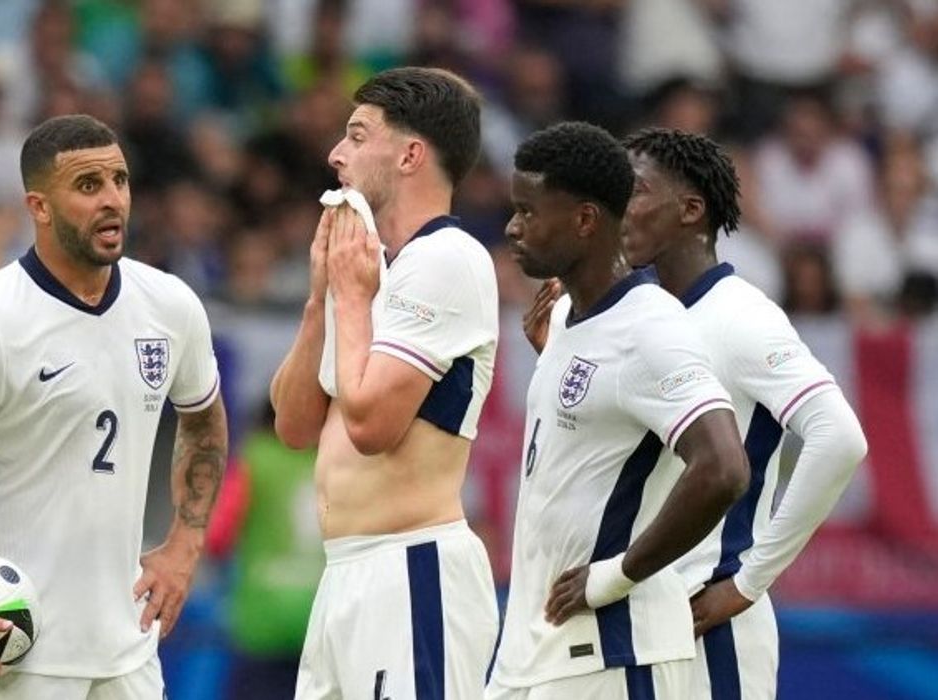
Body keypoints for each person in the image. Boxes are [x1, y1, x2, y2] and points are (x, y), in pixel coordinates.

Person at [523, 127, 868, 700]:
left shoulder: (740, 316)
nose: (617, 208)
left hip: (710, 622)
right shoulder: (630, 317)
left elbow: (839, 437)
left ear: (690, 210)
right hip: (636, 621)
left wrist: (749, 582)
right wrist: (556, 359)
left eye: (635, 191)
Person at [0, 114, 227, 699]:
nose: (113, 200)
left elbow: (204, 423)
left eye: (119, 181)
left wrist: (185, 544)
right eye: (88, 185)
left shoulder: (170, 305)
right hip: (16, 645)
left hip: (128, 647)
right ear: (39, 207)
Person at [488, 121, 750, 699]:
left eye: (528, 211)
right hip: (536, 651)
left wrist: (615, 575)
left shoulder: (652, 326)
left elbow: (724, 467)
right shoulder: (564, 318)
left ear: (585, 220)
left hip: (614, 652)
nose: (512, 226)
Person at [270, 67, 501, 699]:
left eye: (356, 135)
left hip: (412, 567)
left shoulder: (447, 258)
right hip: (343, 574)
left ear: (410, 155)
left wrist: (351, 298)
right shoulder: (371, 268)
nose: (335, 154)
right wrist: (320, 298)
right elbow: (294, 426)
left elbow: (371, 427)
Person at [206, 401, 322, 699]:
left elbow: (216, 537)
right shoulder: (332, 461)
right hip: (321, 623)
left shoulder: (254, 459)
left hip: (261, 623)